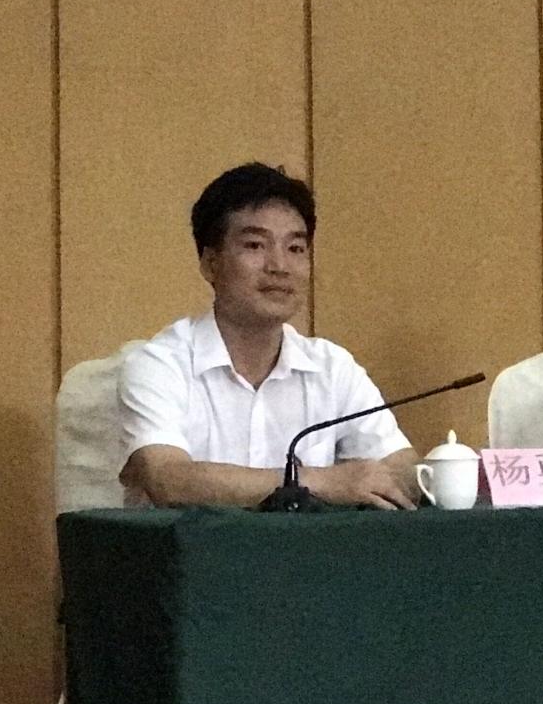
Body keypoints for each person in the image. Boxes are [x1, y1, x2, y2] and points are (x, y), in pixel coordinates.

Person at [119, 162, 420, 508]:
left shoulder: (332, 367)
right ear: (210, 263)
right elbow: (169, 480)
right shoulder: (159, 364)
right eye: (255, 245)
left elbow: (403, 467)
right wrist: (316, 482)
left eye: (295, 249)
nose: (279, 266)